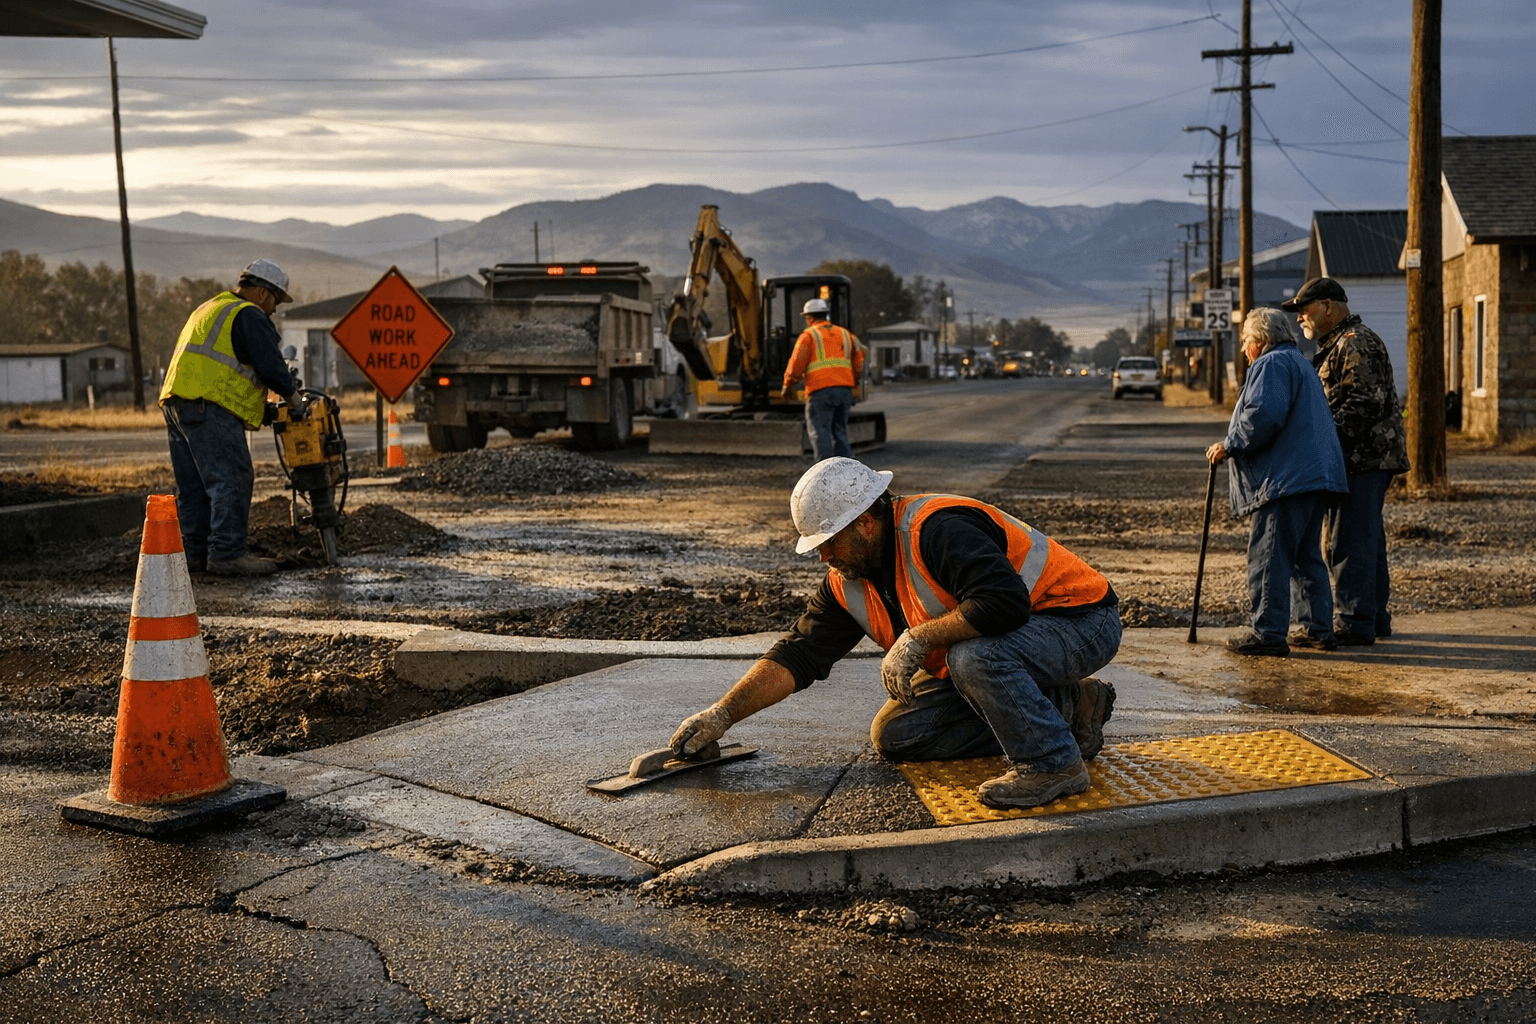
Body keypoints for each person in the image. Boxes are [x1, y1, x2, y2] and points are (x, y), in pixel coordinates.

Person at [669, 457, 1122, 810]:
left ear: (866, 523)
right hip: (1015, 645)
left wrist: (919, 638)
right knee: (899, 734)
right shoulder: (848, 580)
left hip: (1080, 623)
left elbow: (1003, 604)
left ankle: (1052, 764)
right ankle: (1070, 707)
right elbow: (798, 655)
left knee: (973, 658)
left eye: (829, 542)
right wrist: (723, 715)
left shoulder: (937, 529)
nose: (824, 557)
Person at [1206, 307, 1348, 656]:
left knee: (1269, 557)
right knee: (1305, 556)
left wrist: (1230, 444)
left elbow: (1263, 414)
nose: (1243, 348)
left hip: (1287, 479)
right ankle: (1318, 628)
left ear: (1261, 340)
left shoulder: (1271, 364)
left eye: (1246, 340)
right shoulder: (1298, 361)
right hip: (1315, 476)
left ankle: (1268, 633)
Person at [159, 259, 308, 577]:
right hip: (208, 405)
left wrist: (261, 410)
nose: (274, 310)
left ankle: (194, 556)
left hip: (177, 402)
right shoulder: (249, 314)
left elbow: (225, 369)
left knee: (196, 486)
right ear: (263, 293)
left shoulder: (210, 307)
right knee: (232, 476)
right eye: (276, 301)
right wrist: (295, 400)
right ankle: (227, 553)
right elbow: (270, 366)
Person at [1282, 277, 1410, 645]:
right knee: (1365, 539)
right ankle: (1373, 617)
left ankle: (1355, 623)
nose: (1299, 317)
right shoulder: (1340, 343)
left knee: (1348, 542)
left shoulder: (1355, 342)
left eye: (1304, 309)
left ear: (1327, 306)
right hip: (1361, 458)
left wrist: (1321, 441)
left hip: (1364, 459)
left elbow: (1364, 402)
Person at [782, 298, 865, 461]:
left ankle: (825, 469)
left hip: (820, 391)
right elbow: (859, 359)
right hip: (845, 390)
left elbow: (797, 363)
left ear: (809, 318)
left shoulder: (809, 336)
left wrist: (788, 384)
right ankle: (847, 470)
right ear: (826, 315)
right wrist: (853, 380)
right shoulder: (845, 334)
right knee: (840, 431)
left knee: (820, 431)